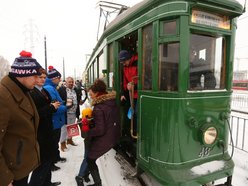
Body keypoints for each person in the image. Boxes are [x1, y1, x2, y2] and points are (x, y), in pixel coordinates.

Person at [0, 50, 42, 186]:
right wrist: (4, 177)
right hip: (11, 173)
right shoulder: (3, 96)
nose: (37, 81)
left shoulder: (22, 90)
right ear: (23, 74)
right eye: (35, 76)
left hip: (20, 167)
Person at [29, 70, 61, 186]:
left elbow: (47, 105)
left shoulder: (44, 90)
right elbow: (35, 113)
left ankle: (47, 182)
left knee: (48, 159)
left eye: (44, 77)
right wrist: (51, 107)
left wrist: (53, 105)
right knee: (42, 163)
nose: (42, 79)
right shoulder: (31, 93)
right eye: (40, 77)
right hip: (40, 132)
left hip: (48, 129)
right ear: (34, 78)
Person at [86, 79, 121, 186]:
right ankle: (87, 176)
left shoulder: (98, 107)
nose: (90, 96)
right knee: (91, 158)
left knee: (90, 159)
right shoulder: (110, 101)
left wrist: (87, 130)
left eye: (91, 94)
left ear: (97, 93)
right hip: (113, 135)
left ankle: (98, 183)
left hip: (105, 138)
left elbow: (99, 130)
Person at [43, 66, 67, 171]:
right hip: (54, 120)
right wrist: (66, 106)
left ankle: (56, 157)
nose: (60, 80)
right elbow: (55, 106)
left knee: (55, 140)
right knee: (53, 142)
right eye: (59, 78)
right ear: (54, 78)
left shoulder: (51, 87)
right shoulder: (49, 88)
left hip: (55, 120)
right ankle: (52, 162)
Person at [57, 76, 82, 151]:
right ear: (66, 83)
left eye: (72, 82)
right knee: (64, 128)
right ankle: (62, 143)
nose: (71, 83)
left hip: (74, 112)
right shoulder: (62, 90)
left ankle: (69, 140)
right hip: (65, 112)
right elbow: (58, 100)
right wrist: (64, 105)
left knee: (72, 127)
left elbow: (78, 98)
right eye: (69, 82)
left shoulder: (75, 90)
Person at [75, 108, 93, 186]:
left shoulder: (92, 121)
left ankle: (86, 173)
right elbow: (84, 135)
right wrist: (85, 125)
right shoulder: (83, 122)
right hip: (88, 143)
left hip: (93, 143)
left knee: (92, 160)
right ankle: (80, 176)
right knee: (87, 159)